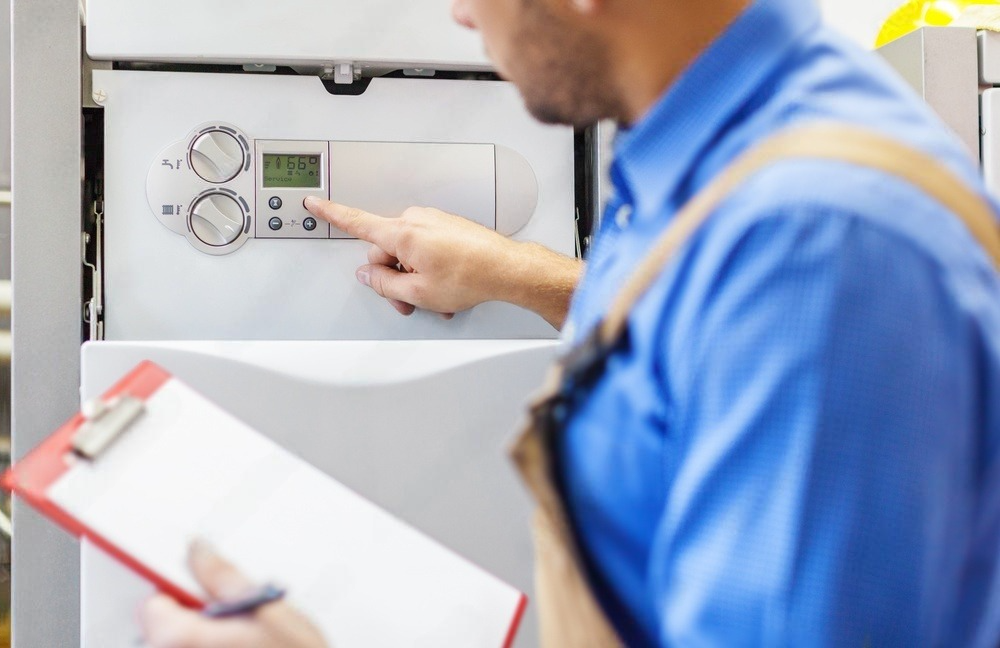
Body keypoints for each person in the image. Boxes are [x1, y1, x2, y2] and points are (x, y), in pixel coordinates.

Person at [142, 0, 1000, 645]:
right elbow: (696, 338)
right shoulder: (721, 156)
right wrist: (524, 276)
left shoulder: (818, 250)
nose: (460, 11)